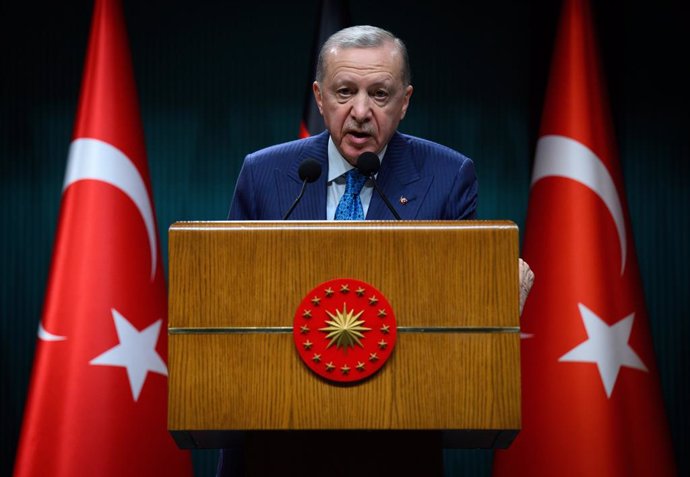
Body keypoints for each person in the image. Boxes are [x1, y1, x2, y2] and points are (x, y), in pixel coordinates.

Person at [220, 24, 533, 476]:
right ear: (320, 96)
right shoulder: (266, 173)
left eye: (380, 94)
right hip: (276, 439)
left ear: (404, 101)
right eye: (345, 91)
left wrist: (496, 302)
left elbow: (452, 316)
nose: (361, 111)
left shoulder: (447, 176)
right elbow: (232, 308)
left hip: (394, 442)